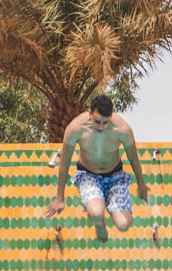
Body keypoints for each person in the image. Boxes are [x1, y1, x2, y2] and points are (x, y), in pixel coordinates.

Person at [45, 95, 149, 242]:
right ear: (90, 112)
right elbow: (65, 161)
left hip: (115, 176)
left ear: (111, 116)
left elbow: (133, 157)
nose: (101, 127)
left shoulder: (122, 129)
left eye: (105, 122)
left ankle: (105, 207)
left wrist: (141, 184)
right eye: (97, 121)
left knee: (124, 224)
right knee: (96, 212)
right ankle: (99, 224)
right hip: (88, 175)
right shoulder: (76, 128)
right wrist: (60, 197)